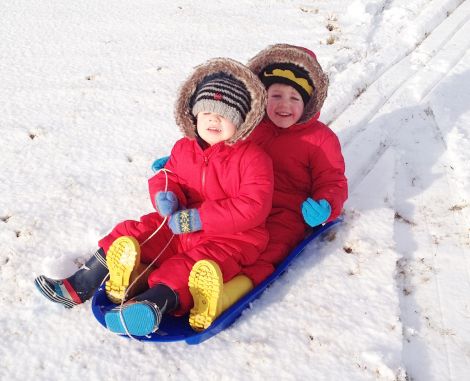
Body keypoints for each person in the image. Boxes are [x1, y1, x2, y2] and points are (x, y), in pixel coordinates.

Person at [35, 58, 274, 337]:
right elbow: (168, 174)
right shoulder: (185, 148)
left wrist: (200, 218)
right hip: (178, 225)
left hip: (232, 237)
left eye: (225, 114)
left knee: (190, 267)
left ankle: (150, 305)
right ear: (194, 115)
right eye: (206, 112)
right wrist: (166, 194)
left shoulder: (253, 158)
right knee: (134, 233)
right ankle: (81, 283)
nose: (214, 119)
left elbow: (253, 207)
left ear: (241, 121)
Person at [187, 44, 348, 330]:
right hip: (241, 201)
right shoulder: (251, 126)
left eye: (294, 97)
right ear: (262, 96)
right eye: (275, 95)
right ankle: (190, 277)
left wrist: (325, 204)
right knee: (214, 236)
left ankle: (228, 293)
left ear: (309, 101)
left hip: (285, 212)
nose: (284, 105)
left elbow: (332, 179)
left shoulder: (320, 140)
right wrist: (195, 156)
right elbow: (221, 145)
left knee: (267, 252)